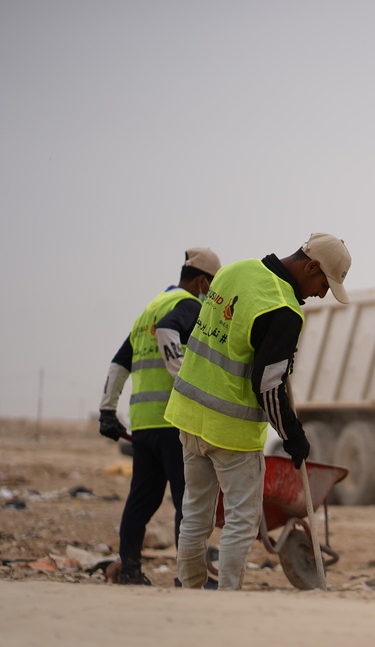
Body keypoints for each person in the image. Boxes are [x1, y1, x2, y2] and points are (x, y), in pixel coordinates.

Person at [164, 232, 352, 591]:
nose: (322, 293)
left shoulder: (235, 271)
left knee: (195, 515)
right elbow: (267, 385)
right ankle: (228, 598)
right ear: (311, 266)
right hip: (231, 431)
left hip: (189, 415)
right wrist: (293, 436)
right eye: (323, 283)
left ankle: (187, 593)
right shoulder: (282, 309)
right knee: (241, 522)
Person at [98, 247, 222, 585]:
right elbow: (169, 332)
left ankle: (129, 570)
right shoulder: (189, 305)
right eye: (213, 286)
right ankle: (189, 577)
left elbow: (119, 363)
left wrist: (108, 410)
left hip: (144, 424)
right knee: (189, 502)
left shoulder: (148, 310)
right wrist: (187, 383)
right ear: (201, 281)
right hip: (174, 422)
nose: (213, 294)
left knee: (143, 498)